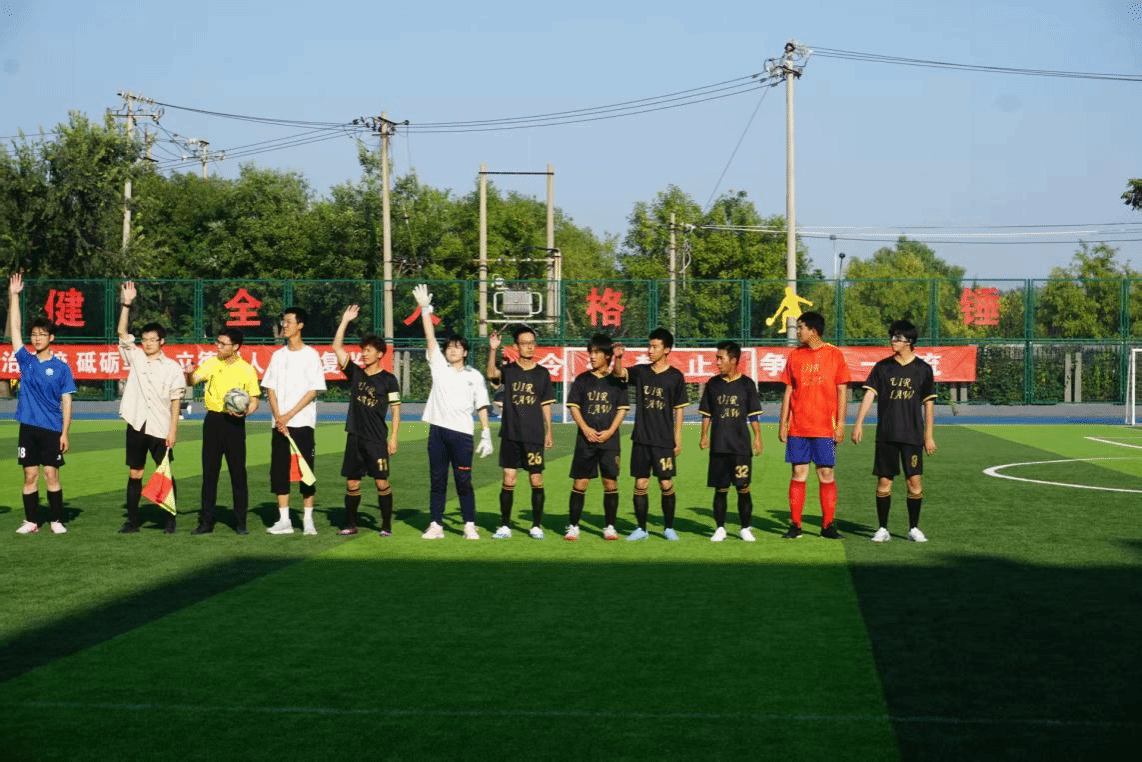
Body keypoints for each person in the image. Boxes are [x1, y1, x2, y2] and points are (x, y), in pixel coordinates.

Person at [413, 284, 492, 540]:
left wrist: (486, 434)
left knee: (463, 481)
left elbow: (482, 405)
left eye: (457, 347)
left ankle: (469, 524)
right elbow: (430, 339)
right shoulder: (439, 366)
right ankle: (436, 524)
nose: (452, 350)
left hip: (462, 435)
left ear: (465, 352)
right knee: (437, 481)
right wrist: (425, 310)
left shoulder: (475, 376)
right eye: (449, 347)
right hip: (438, 432)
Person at [851, 320, 938, 543]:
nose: (892, 341)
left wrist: (928, 436)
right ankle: (882, 528)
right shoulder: (882, 367)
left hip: (912, 436)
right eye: (892, 336)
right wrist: (858, 423)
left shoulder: (923, 369)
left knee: (914, 483)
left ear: (909, 341)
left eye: (897, 338)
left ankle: (913, 528)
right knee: (884, 482)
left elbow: (928, 405)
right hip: (886, 435)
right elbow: (869, 395)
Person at [116, 281, 186, 534]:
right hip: (137, 423)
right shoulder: (135, 357)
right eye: (144, 340)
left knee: (164, 472)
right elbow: (122, 333)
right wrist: (126, 304)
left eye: (152, 340)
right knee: (135, 472)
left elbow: (176, 401)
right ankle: (132, 521)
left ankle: (169, 519)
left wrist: (173, 431)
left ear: (161, 341)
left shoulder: (172, 368)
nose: (147, 344)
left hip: (160, 426)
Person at [9, 273, 76, 535]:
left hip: (51, 429)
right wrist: (14, 296)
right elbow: (15, 331)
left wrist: (65, 433)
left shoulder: (61, 368)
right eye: (34, 335)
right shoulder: (26, 361)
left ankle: (57, 520)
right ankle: (31, 521)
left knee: (51, 474)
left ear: (51, 338)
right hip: (28, 428)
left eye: (42, 334)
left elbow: (67, 401)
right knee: (30, 475)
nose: (36, 338)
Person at [778, 311, 851, 539]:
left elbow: (842, 391)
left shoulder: (834, 355)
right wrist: (783, 423)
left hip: (825, 428)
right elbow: (788, 390)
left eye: (801, 327)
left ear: (813, 330)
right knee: (798, 472)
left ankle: (827, 526)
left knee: (825, 473)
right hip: (798, 427)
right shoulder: (794, 356)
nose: (797, 331)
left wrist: (841, 423)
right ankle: (795, 525)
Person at [331, 304, 401, 536]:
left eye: (369, 350)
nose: (364, 354)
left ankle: (386, 525)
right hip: (355, 437)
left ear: (380, 354)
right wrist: (345, 320)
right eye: (363, 350)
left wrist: (393, 438)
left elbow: (396, 409)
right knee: (352, 483)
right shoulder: (356, 374)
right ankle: (351, 524)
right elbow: (336, 347)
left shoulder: (389, 380)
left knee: (381, 483)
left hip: (376, 439)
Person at [612, 327, 687, 540]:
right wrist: (618, 358)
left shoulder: (675, 376)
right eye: (649, 346)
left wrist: (677, 436)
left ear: (667, 349)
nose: (650, 350)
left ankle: (668, 527)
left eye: (655, 347)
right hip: (641, 438)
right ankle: (641, 529)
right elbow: (619, 374)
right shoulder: (641, 372)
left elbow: (679, 409)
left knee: (665, 483)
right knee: (640, 483)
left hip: (664, 440)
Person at [188, 328, 260, 534]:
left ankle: (241, 522)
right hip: (213, 421)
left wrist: (245, 411)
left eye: (223, 343)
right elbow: (193, 380)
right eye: (217, 342)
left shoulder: (247, 369)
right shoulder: (211, 363)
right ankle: (206, 522)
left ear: (235, 346)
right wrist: (188, 373)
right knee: (209, 474)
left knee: (238, 474)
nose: (218, 346)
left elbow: (254, 399)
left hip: (234, 424)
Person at [262, 307, 327, 535]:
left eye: (289, 321)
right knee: (280, 472)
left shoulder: (311, 355)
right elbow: (269, 387)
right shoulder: (278, 356)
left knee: (305, 471)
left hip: (302, 423)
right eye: (283, 321)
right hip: (279, 425)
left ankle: (308, 520)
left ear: (300, 325)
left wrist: (288, 415)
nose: (285, 325)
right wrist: (278, 416)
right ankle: (284, 520)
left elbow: (313, 390)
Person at [486, 325, 555, 539]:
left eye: (531, 343)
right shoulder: (509, 371)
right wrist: (493, 349)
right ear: (516, 346)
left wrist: (549, 431)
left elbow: (546, 404)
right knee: (509, 479)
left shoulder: (542, 373)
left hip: (534, 435)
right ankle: (505, 525)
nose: (529, 347)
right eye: (524, 343)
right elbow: (491, 374)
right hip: (511, 434)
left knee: (536, 479)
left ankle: (536, 526)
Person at [564, 333, 628, 541]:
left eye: (597, 352)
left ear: (607, 355)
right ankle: (573, 526)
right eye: (590, 352)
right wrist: (585, 428)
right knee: (580, 483)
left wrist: (610, 431)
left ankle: (610, 526)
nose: (592, 356)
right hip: (586, 440)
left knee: (610, 483)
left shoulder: (617, 381)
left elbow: (622, 409)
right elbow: (574, 406)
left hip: (610, 441)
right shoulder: (582, 380)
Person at [699, 341, 763, 542]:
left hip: (740, 447)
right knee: (721, 489)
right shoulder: (713, 384)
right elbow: (707, 413)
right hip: (719, 445)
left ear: (733, 360)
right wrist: (704, 435)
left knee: (743, 487)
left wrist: (758, 437)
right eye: (716, 358)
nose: (717, 362)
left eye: (721, 358)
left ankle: (745, 528)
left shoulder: (747, 384)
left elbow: (753, 415)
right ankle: (720, 528)